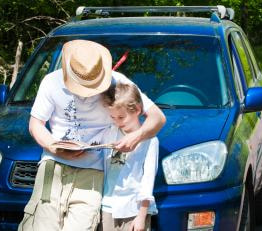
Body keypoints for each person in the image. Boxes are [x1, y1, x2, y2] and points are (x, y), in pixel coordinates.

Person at [18, 39, 166, 231]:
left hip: (93, 171)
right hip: (53, 165)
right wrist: (55, 147)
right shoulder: (51, 82)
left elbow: (158, 118)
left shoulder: (117, 83)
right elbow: (35, 124)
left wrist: (135, 137)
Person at [99, 83, 159, 231]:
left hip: (134, 209)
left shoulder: (150, 141)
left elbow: (148, 181)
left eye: (121, 117)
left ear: (137, 110)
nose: (117, 122)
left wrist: (141, 216)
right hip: (107, 206)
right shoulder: (110, 133)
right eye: (113, 117)